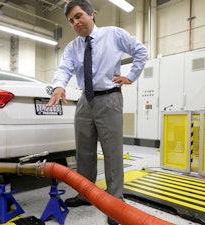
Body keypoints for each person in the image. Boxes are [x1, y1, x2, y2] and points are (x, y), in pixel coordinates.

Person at [46, 0, 147, 224]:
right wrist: (59, 85)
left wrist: (130, 76)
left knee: (112, 152)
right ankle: (85, 193)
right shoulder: (73, 47)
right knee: (84, 151)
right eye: (71, 21)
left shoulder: (113, 34)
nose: (75, 23)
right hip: (85, 101)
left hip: (109, 98)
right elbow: (64, 68)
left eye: (79, 16)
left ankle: (115, 202)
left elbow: (141, 51)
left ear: (91, 14)